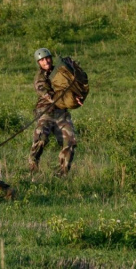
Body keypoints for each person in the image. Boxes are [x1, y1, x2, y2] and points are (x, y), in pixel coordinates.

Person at [28, 48, 77, 177]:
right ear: (39, 63)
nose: (46, 62)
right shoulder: (40, 77)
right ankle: (33, 168)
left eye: (47, 58)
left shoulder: (60, 72)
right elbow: (47, 95)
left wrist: (76, 97)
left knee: (70, 141)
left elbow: (71, 86)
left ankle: (62, 173)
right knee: (41, 138)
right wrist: (66, 98)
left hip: (61, 112)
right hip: (46, 111)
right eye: (42, 60)